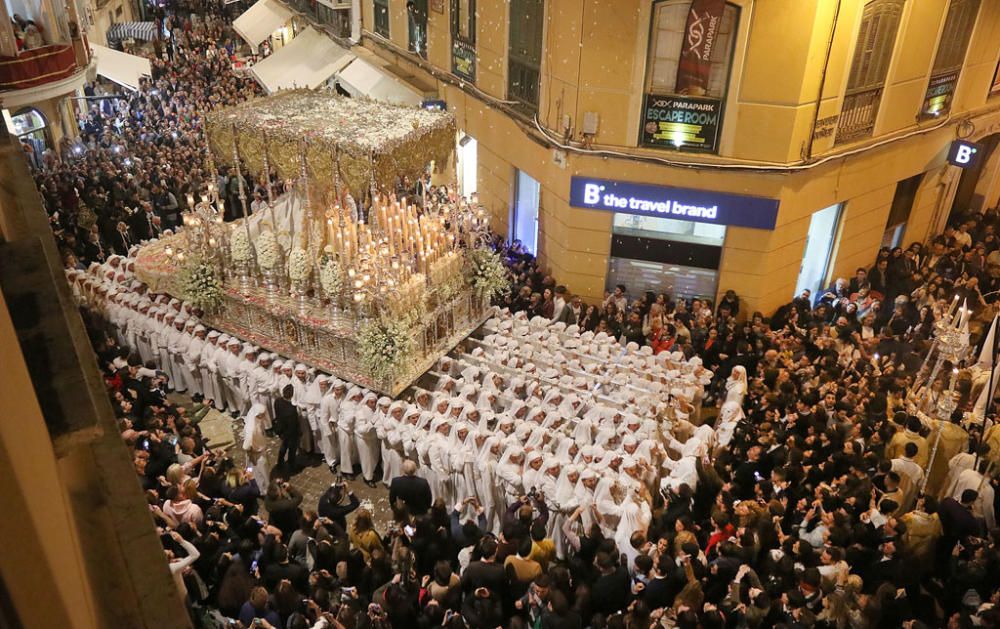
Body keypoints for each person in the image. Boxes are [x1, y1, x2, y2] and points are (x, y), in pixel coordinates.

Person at [242, 403, 271, 494]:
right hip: (256, 455)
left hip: (260, 452)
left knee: (260, 472)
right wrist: (252, 455)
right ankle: (264, 491)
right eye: (261, 415)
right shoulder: (251, 428)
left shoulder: (257, 421)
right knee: (261, 473)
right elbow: (246, 446)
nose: (263, 416)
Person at [273, 384, 300, 471]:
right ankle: (291, 465)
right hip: (291, 433)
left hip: (281, 429)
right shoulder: (291, 409)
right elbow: (293, 424)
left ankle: (280, 463)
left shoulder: (278, 401)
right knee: (292, 449)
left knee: (283, 447)